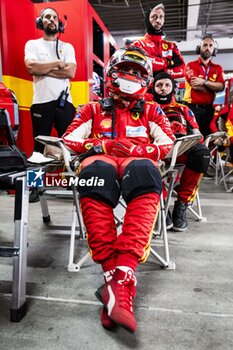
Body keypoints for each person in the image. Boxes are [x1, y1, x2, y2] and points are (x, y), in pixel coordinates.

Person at [62, 47, 175, 333]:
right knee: (96, 173)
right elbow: (69, 138)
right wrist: (101, 145)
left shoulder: (152, 109)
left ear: (146, 79)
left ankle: (117, 281)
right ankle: (119, 284)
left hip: (137, 162)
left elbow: (169, 143)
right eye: (126, 69)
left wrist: (143, 149)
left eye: (138, 73)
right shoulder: (92, 108)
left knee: (146, 172)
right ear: (111, 73)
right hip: (102, 161)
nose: (131, 76)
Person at [24, 7, 77, 202]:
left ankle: (73, 183)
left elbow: (70, 73)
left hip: (65, 103)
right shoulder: (32, 44)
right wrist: (57, 63)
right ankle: (35, 188)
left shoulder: (68, 47)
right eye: (47, 17)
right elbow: (31, 68)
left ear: (59, 23)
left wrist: (43, 69)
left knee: (71, 147)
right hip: (41, 103)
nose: (52, 20)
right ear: (41, 21)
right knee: (38, 149)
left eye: (54, 17)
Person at [151, 72, 210, 231]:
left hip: (180, 151)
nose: (163, 89)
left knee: (202, 153)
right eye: (159, 85)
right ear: (153, 88)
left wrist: (190, 142)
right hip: (155, 151)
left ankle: (182, 205)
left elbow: (198, 135)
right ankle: (161, 206)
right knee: (142, 160)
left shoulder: (183, 109)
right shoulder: (146, 108)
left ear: (173, 88)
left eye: (167, 85)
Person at [183, 34, 225, 138]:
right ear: (199, 48)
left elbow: (221, 87)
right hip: (192, 109)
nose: (207, 47)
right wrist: (213, 88)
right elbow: (195, 85)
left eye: (211, 46)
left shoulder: (218, 68)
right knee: (192, 138)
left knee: (208, 138)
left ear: (214, 49)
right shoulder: (190, 65)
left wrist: (204, 82)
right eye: (205, 45)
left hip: (209, 110)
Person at [133, 3, 185, 79]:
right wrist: (168, 62)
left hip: (166, 89)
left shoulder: (172, 46)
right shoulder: (138, 44)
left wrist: (159, 74)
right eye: (154, 17)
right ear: (148, 19)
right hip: (145, 89)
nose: (158, 20)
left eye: (161, 17)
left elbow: (182, 70)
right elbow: (141, 66)